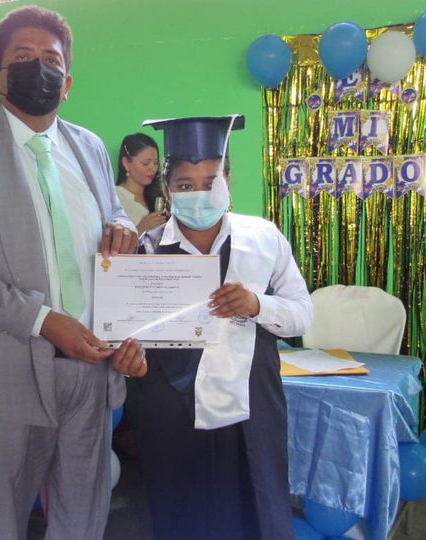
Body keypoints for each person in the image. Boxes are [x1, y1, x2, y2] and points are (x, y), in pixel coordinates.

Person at [0, 6, 145, 540]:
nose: (38, 68)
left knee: (83, 515)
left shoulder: (89, 146)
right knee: (2, 522)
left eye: (51, 60)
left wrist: (122, 226)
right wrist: (44, 320)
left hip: (91, 367)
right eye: (22, 57)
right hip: (4, 370)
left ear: (67, 83)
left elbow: (112, 213)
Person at [135, 115, 314, 540]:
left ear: (229, 181)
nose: (199, 193)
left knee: (257, 509)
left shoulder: (264, 238)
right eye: (185, 184)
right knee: (182, 512)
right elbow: (133, 335)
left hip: (252, 401)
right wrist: (128, 359)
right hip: (173, 407)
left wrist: (258, 304)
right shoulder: (146, 249)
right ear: (167, 189)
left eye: (211, 181)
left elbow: (302, 314)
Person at [114, 133, 167, 234]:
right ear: (126, 163)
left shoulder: (159, 196)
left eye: (155, 163)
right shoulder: (115, 198)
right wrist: (141, 228)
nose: (153, 168)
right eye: (145, 163)